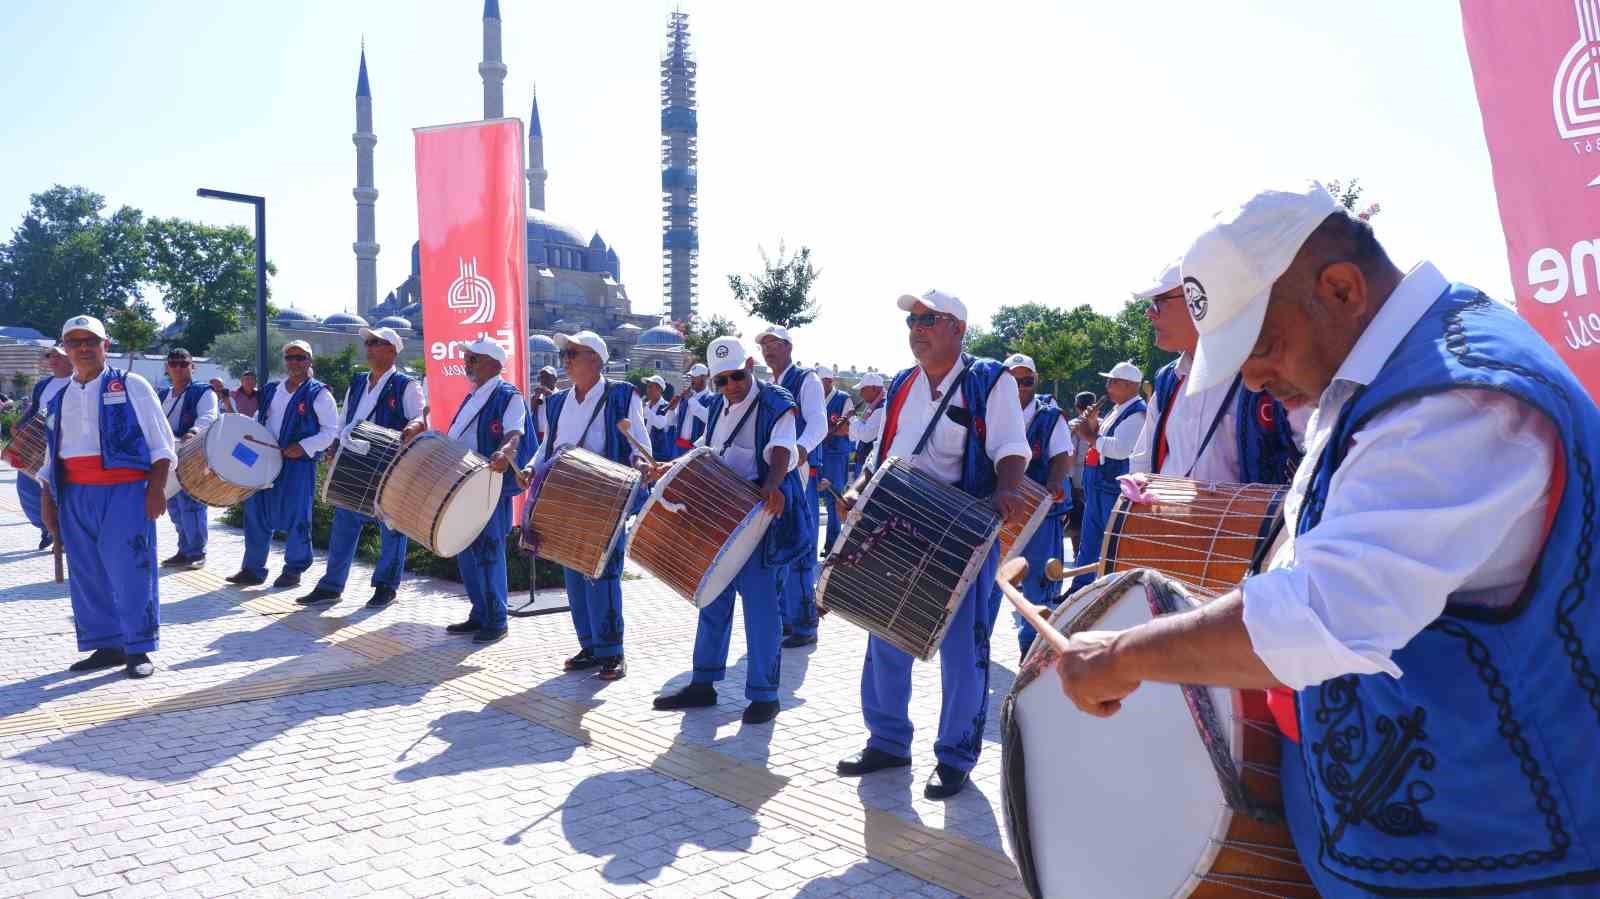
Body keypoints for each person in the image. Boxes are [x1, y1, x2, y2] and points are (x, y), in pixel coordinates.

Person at [1054, 182, 1600, 897]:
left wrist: (1126, 654)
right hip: (1418, 842)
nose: (1252, 376)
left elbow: (1323, 614)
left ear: (1342, 288)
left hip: (1502, 857)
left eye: (1263, 343)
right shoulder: (1376, 375)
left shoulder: (1456, 395)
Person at [834, 289, 1028, 800]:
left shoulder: (990, 380)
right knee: (886, 633)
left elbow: (1011, 447)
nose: (917, 327)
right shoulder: (901, 385)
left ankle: (956, 754)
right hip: (898, 520)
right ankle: (888, 740)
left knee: (963, 648)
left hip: (960, 526)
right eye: (912, 320)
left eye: (929, 319)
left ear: (958, 329)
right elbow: (881, 454)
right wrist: (856, 491)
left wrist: (1006, 488)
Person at [650, 336, 808, 723]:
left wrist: (770, 488)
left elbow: (783, 448)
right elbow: (708, 450)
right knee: (712, 599)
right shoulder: (719, 406)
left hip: (758, 517)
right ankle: (703, 683)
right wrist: (671, 469)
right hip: (722, 514)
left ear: (750, 366)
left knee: (760, 607)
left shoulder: (777, 401)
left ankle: (765, 695)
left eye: (736, 377)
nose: (730, 387)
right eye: (721, 381)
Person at [38, 315, 176, 679]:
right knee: (87, 573)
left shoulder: (133, 384)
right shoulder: (60, 395)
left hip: (125, 492)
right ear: (64, 348)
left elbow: (161, 444)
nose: (83, 348)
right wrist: (48, 501)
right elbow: (52, 455)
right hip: (75, 494)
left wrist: (157, 488)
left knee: (131, 569)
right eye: (74, 341)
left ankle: (138, 648)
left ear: (105, 345)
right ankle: (106, 644)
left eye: (90, 341)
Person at [520, 330, 644, 677]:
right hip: (564, 494)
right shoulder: (557, 402)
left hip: (605, 497)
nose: (566, 360)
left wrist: (642, 464)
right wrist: (531, 468)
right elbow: (547, 448)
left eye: (572, 353)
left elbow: (638, 445)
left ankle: (612, 651)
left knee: (602, 574)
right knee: (572, 573)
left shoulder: (622, 396)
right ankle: (589, 645)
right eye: (565, 354)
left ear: (595, 358)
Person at [402, 340, 530, 645]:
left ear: (494, 364)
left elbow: (515, 434)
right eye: (467, 358)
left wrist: (505, 452)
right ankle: (479, 612)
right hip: (463, 483)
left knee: (488, 551)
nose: (467, 363)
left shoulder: (508, 396)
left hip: (488, 485)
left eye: (474, 358)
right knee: (467, 551)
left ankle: (497, 620)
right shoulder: (472, 396)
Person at [1128, 261, 1299, 484]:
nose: (1149, 312)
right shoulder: (1168, 380)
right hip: (1169, 517)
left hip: (1248, 519)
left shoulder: (1273, 372)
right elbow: (1142, 464)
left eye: (1160, 301)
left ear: (1203, 299)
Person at [299, 327, 424, 608]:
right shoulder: (357, 381)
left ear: (392, 350)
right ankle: (332, 586)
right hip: (354, 463)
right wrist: (333, 447)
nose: (368, 347)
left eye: (375, 343)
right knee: (344, 524)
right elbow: (345, 418)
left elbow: (419, 419)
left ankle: (386, 587)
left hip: (388, 464)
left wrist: (410, 429)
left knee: (391, 527)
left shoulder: (407, 385)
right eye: (367, 343)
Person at [227, 341, 339, 588]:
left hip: (298, 464)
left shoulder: (319, 394)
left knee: (297, 514)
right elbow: (260, 419)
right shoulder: (271, 390)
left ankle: (294, 569)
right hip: (265, 460)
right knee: (255, 511)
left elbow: (331, 431)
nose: (294, 362)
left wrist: (303, 446)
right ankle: (253, 569)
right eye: (290, 358)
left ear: (309, 361)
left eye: (300, 358)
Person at [756, 325, 827, 649]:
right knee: (781, 546)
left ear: (788, 347)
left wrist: (797, 453)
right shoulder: (768, 386)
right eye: (764, 346)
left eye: (774, 344)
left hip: (795, 473)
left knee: (801, 546)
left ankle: (804, 623)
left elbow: (818, 424)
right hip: (774, 474)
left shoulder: (806, 379)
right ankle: (787, 618)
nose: (769, 350)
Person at [998, 353, 1073, 658]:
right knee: (991, 578)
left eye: (1026, 380)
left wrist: (1055, 482)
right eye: (1013, 380)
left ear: (1035, 380)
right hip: (998, 507)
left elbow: (1062, 455)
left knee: (1036, 578)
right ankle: (979, 643)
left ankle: (1031, 646)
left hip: (1037, 509)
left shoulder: (1049, 416)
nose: (1019, 387)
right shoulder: (993, 409)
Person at [1067, 361, 1146, 592]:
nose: (1107, 386)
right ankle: (1079, 590)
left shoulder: (1137, 413)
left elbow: (1121, 449)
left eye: (1113, 382)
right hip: (1099, 483)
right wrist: (1092, 425)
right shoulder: (1118, 408)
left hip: (1111, 486)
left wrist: (1089, 436)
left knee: (1110, 543)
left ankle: (1105, 592)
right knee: (1089, 542)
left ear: (1129, 385)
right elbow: (1103, 437)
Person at [157, 347, 219, 569]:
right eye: (173, 363)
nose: (178, 367)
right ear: (167, 367)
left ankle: (197, 552)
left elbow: (209, 416)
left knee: (192, 504)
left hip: (192, 454)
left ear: (193, 366)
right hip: (169, 455)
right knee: (173, 503)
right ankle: (184, 550)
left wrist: (193, 431)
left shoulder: (204, 391)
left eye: (183, 363)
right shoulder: (163, 394)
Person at [9, 345, 72, 550]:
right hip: (36, 444)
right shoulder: (43, 385)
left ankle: (62, 532)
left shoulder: (78, 382)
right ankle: (46, 528)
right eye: (49, 356)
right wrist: (20, 424)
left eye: (58, 356)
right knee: (26, 488)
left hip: (62, 445)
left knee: (57, 491)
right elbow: (35, 409)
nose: (52, 359)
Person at [814, 365, 854, 556]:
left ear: (830, 381)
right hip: (817, 454)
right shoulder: (813, 398)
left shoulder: (843, 399)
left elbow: (847, 428)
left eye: (822, 382)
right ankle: (810, 543)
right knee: (811, 497)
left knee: (833, 500)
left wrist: (825, 431)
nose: (818, 385)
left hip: (836, 456)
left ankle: (831, 545)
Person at [1064, 391, 1095, 540]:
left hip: (1076, 477)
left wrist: (1070, 482)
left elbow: (1071, 454)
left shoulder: (1072, 426)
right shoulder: (1102, 423)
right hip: (1097, 476)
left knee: (1076, 519)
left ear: (1077, 407)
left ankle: (1079, 554)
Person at [665, 363, 712, 460]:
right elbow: (672, 422)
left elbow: (707, 418)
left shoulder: (712, 398)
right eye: (691, 377)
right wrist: (671, 410)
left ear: (704, 378)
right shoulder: (685, 398)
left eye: (695, 377)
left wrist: (690, 399)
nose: (692, 380)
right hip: (678, 447)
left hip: (696, 451)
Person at [848, 372, 886, 482]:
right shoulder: (873, 406)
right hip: (864, 460)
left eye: (863, 389)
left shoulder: (882, 408)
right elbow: (854, 437)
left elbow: (865, 436)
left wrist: (852, 418)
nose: (860, 393)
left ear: (874, 388)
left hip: (871, 465)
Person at [642, 375, 672, 460]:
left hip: (659, 453)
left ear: (660, 389)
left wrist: (645, 409)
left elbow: (660, 424)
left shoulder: (666, 406)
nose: (648, 390)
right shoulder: (646, 405)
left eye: (651, 387)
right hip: (644, 449)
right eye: (647, 387)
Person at [529, 365, 558, 445]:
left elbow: (560, 408)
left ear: (555, 379)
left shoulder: (560, 395)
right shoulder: (538, 395)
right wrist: (534, 398)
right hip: (538, 436)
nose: (543, 380)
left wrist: (549, 394)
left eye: (547, 377)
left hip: (553, 436)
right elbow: (529, 411)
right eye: (541, 377)